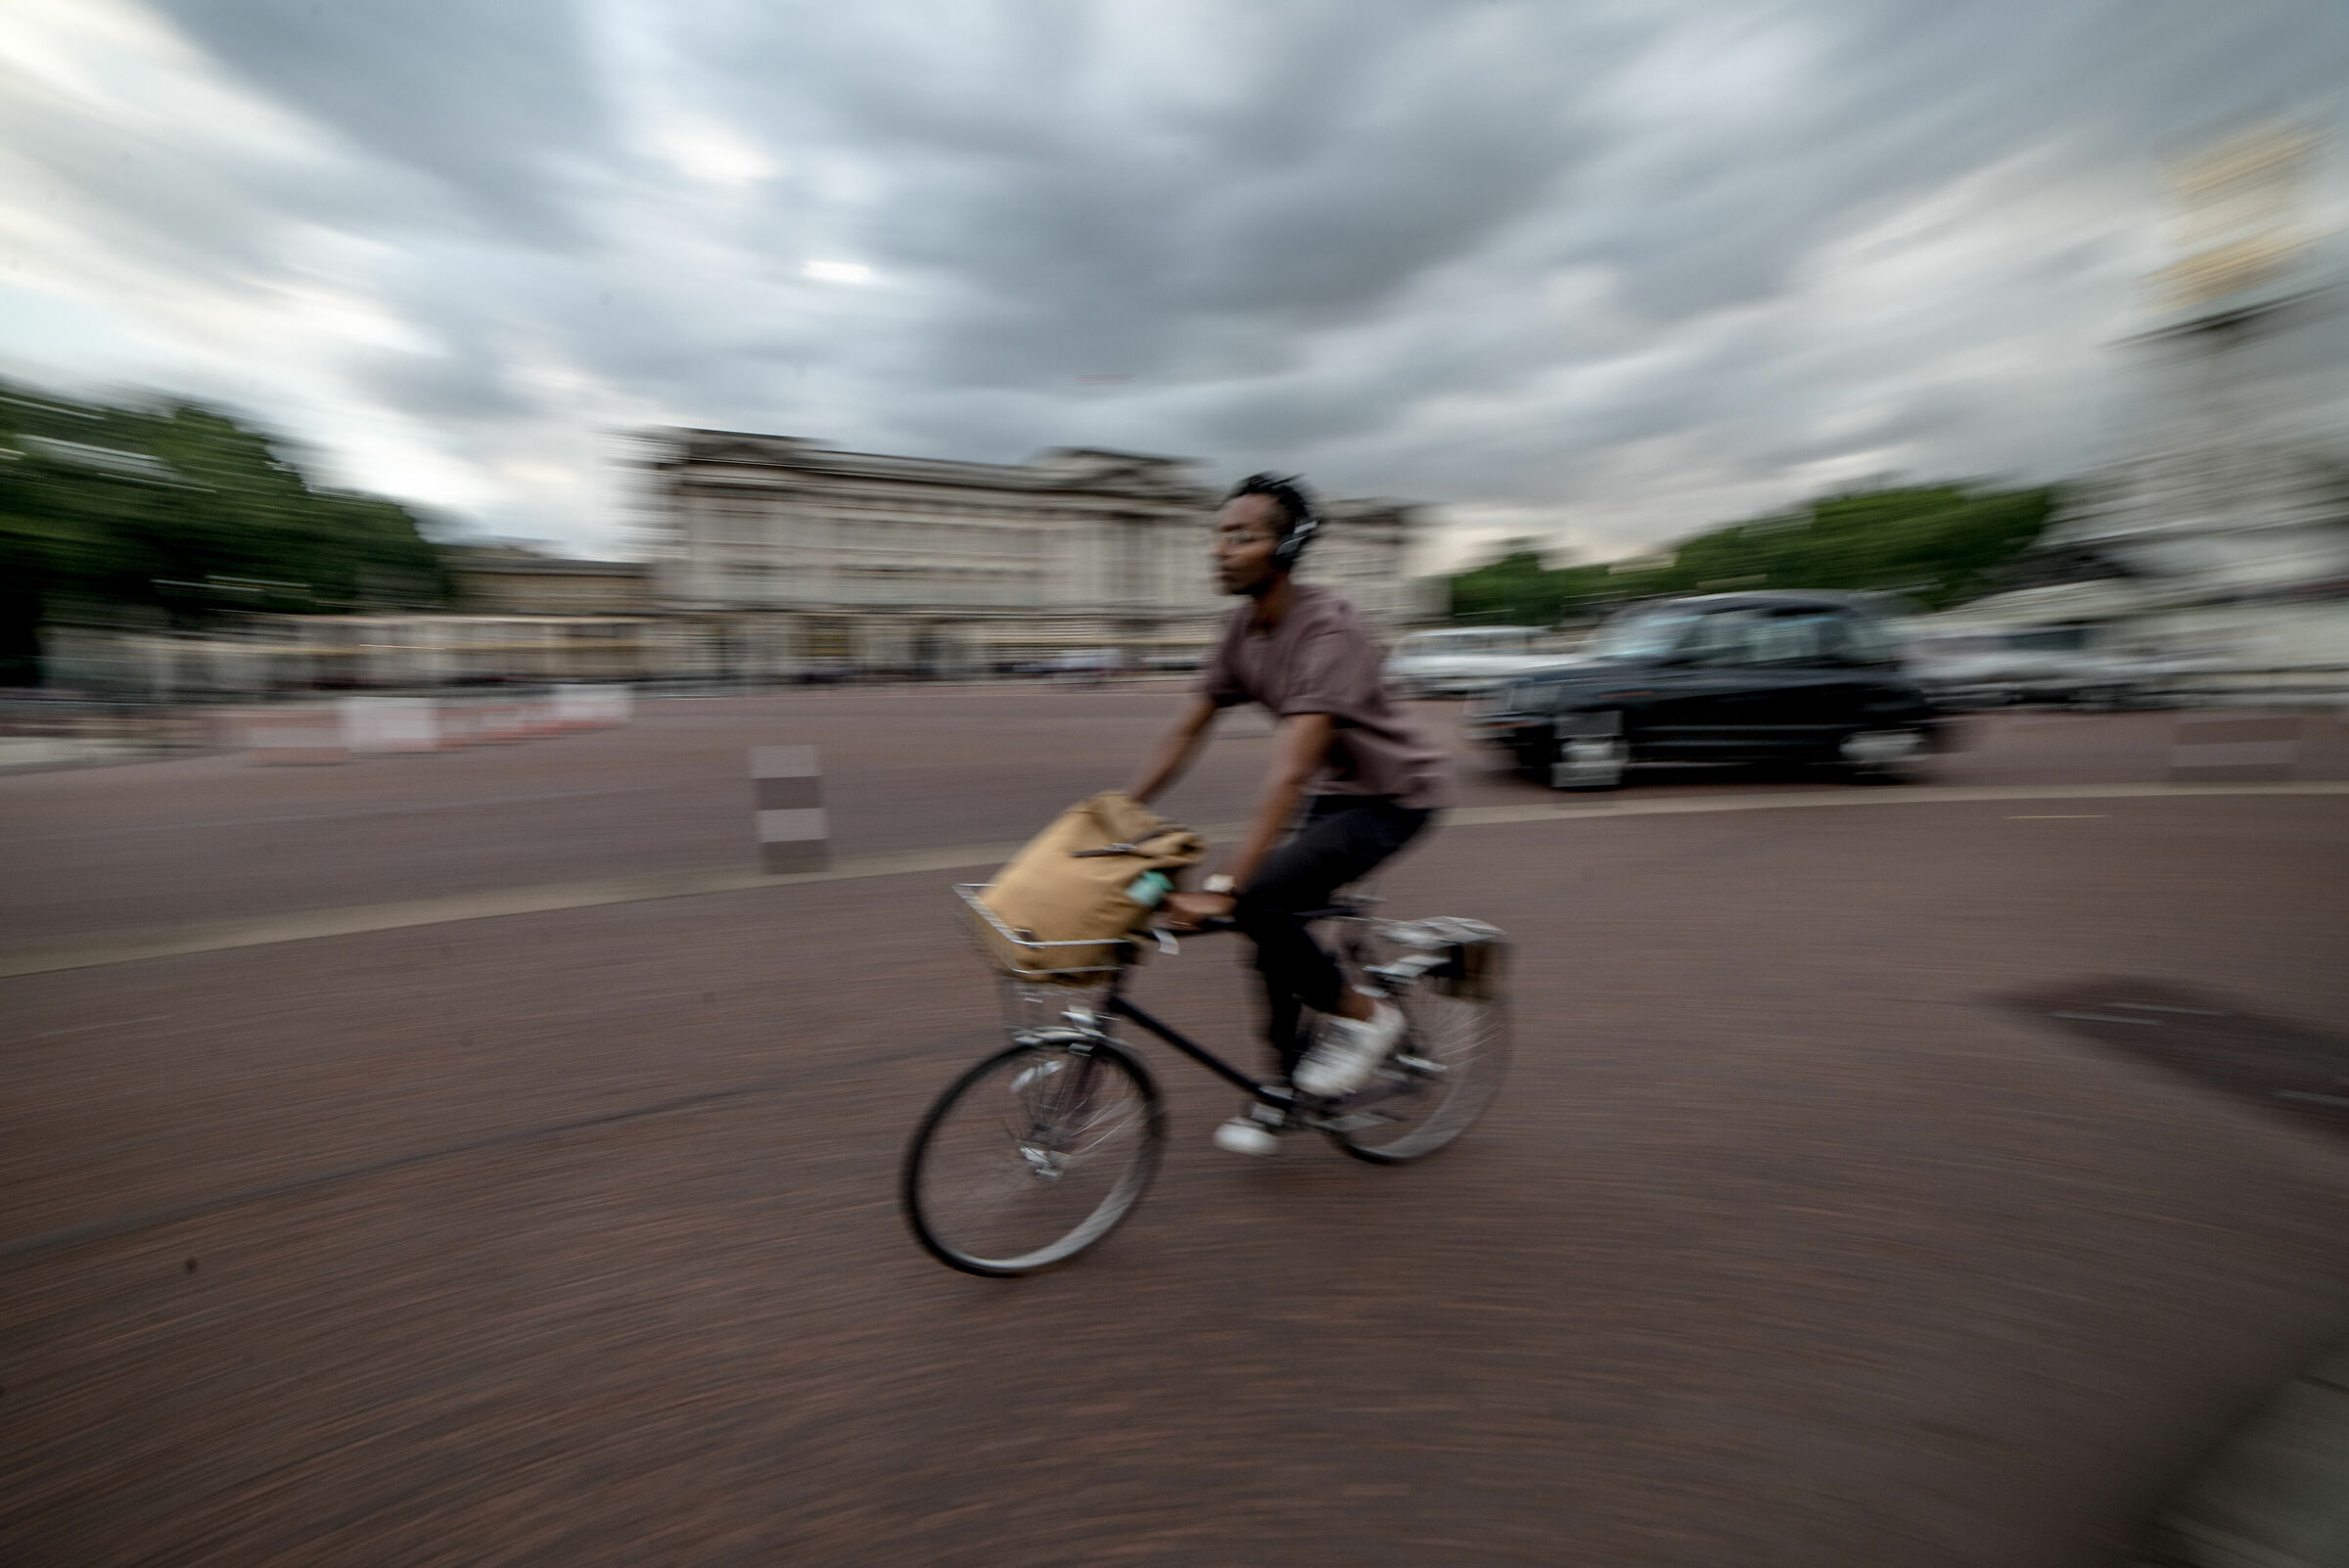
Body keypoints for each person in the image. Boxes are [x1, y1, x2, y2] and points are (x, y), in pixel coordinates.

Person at [1125, 474, 1451, 1155]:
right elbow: (1186, 731)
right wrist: (1115, 813)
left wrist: (1225, 888)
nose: (1220, 549)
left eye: (1241, 536)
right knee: (1269, 942)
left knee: (1260, 899)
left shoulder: (1328, 629)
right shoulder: (1240, 628)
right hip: (1338, 792)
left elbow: (1290, 771)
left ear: (1288, 546)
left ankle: (1369, 1016)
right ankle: (1282, 1089)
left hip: (1395, 795)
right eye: (1218, 534)